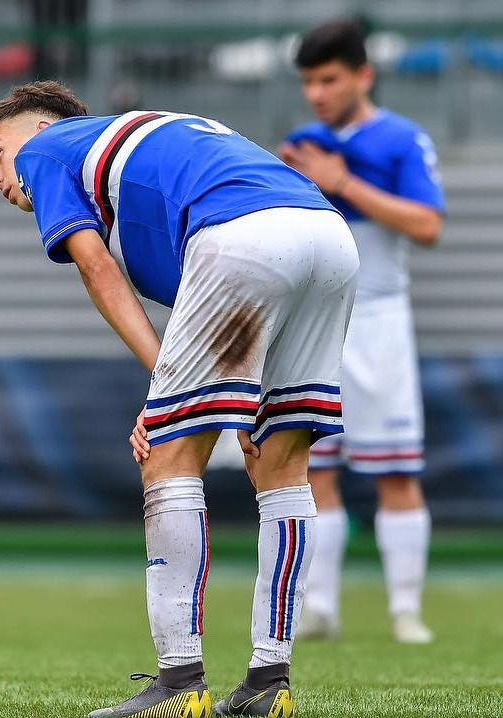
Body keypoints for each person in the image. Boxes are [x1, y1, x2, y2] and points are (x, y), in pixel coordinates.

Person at [0, 81, 359, 717]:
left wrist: (165, 392)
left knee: (166, 455)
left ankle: (180, 680)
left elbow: (97, 269)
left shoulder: (48, 149)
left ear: (39, 130)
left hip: (240, 238)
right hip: (328, 237)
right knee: (283, 466)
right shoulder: (151, 142)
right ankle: (270, 683)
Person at [281, 20, 444, 645]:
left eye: (329, 79)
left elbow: (427, 226)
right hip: (314, 319)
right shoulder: (302, 144)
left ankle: (406, 610)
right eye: (308, 82)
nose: (317, 94)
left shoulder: (403, 139)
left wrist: (344, 183)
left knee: (395, 470)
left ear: (363, 75)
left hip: (379, 319)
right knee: (312, 466)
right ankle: (320, 607)